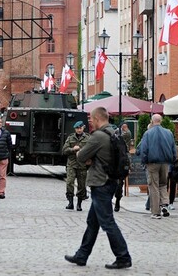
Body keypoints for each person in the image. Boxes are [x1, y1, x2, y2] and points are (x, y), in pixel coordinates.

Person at [65, 107, 132, 269]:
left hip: (100, 182)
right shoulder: (114, 133)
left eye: (91, 120)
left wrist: (88, 156)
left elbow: (81, 156)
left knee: (107, 222)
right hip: (111, 181)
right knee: (92, 222)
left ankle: (123, 256)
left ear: (97, 119)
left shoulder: (98, 136)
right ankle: (82, 255)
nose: (90, 123)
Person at [139, 114, 177, 219]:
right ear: (161, 120)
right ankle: (164, 204)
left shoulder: (148, 133)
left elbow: (144, 149)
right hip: (165, 162)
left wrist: (144, 161)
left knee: (154, 186)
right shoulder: (168, 133)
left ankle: (156, 212)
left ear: (152, 121)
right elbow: (173, 148)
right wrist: (173, 160)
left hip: (152, 163)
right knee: (163, 184)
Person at [62, 120, 90, 211]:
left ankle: (79, 204)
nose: (78, 130)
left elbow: (91, 150)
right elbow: (64, 150)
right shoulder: (70, 138)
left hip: (82, 165)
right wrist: (72, 149)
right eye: (77, 128)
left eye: (80, 128)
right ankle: (70, 202)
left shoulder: (88, 138)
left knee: (82, 185)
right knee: (69, 182)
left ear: (83, 128)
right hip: (72, 164)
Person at [113, 122, 133, 212]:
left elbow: (126, 154)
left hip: (120, 166)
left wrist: (128, 166)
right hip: (111, 166)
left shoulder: (123, 141)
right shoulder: (110, 141)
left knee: (119, 185)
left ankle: (117, 201)